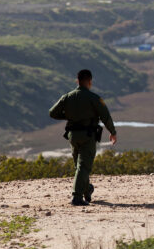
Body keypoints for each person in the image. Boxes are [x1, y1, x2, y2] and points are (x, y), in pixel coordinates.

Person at [49, 69, 117, 206]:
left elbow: (52, 113)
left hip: (72, 136)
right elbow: (105, 116)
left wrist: (69, 116)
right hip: (88, 136)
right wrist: (113, 132)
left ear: (77, 81)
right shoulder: (94, 98)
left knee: (79, 166)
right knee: (83, 167)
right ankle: (77, 197)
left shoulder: (67, 97)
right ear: (90, 82)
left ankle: (87, 189)